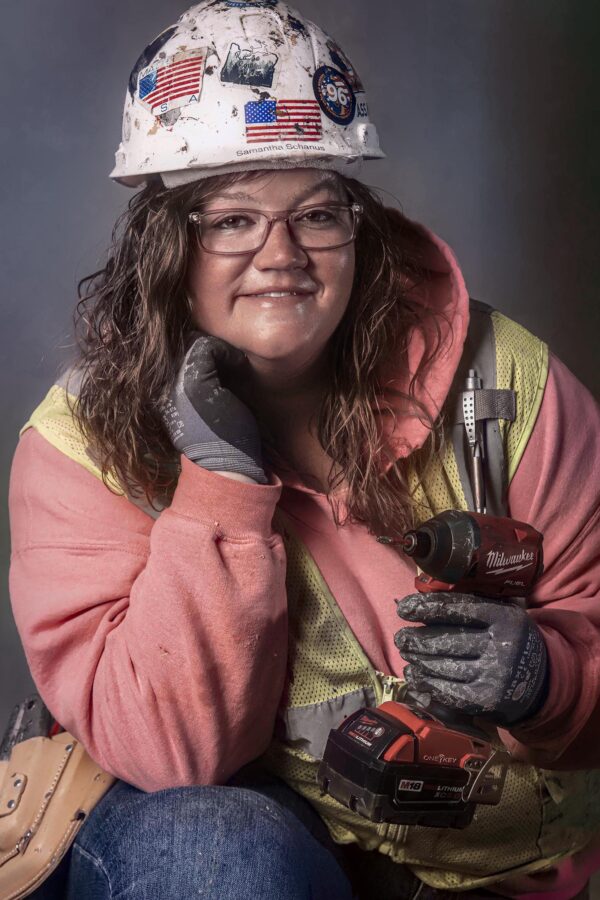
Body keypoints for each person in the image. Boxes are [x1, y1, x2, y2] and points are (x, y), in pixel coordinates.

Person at [7, 2, 600, 898]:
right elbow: (174, 750)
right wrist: (220, 486)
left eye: (316, 214)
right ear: (167, 246)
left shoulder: (504, 387)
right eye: (232, 220)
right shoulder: (79, 447)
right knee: (209, 849)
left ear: (357, 229)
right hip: (244, 841)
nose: (280, 254)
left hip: (505, 866)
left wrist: (547, 676)